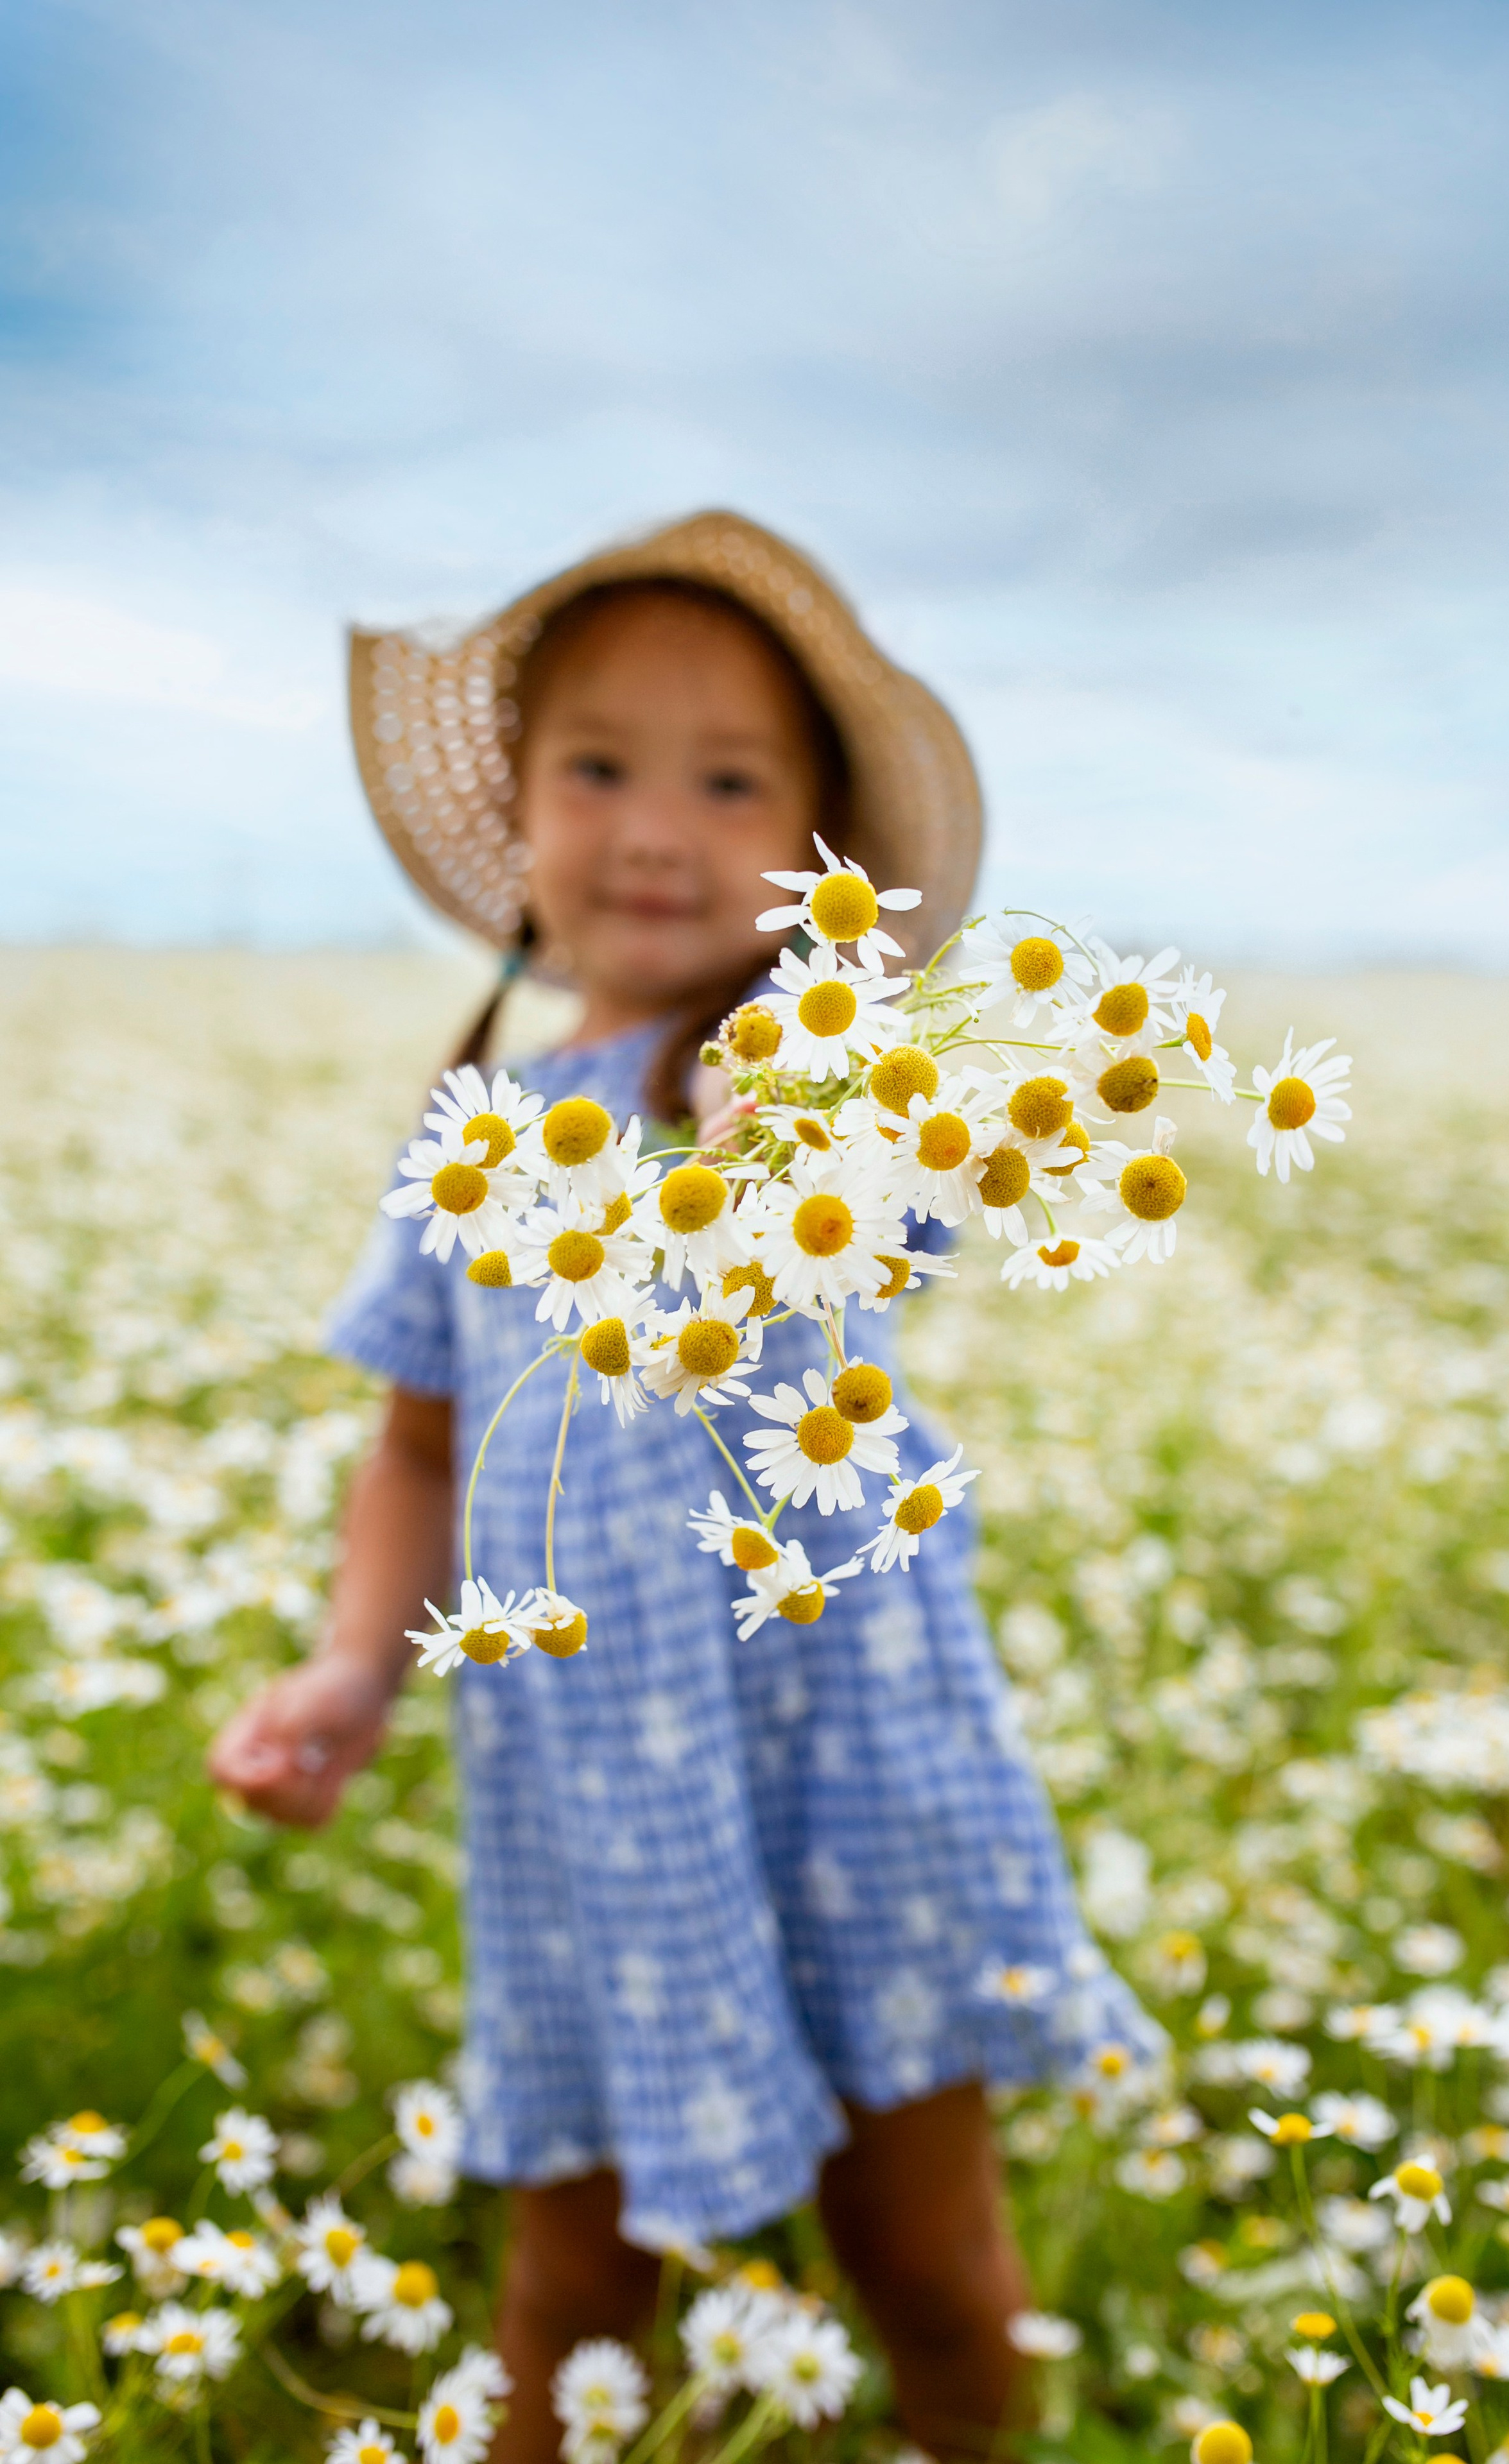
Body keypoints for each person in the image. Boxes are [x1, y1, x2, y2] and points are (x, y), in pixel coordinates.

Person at [209, 511, 1155, 2460]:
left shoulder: (824, 1084)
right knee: (568, 2277)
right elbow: (419, 1443)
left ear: (816, 863)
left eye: (732, 784)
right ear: (525, 819)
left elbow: (894, 1207)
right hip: (590, 1797)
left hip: (855, 1768)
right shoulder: (480, 1139)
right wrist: (349, 1673)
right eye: (602, 768)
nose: (659, 827)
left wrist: (802, 1107)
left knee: (933, 2262)